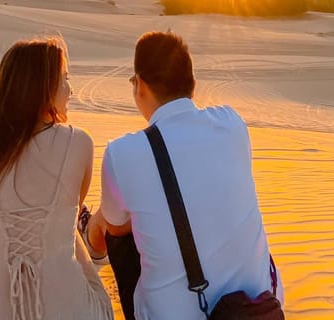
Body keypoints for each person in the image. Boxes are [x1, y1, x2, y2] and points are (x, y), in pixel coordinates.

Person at [78, 31, 284, 320]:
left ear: (140, 86)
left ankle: (89, 243)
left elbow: (118, 228)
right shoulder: (232, 124)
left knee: (117, 222)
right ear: (192, 84)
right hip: (262, 307)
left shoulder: (123, 152)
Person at [0, 36, 113, 320]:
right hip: (69, 311)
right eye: (65, 79)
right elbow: (71, 215)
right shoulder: (78, 142)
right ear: (43, 87)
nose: (71, 90)